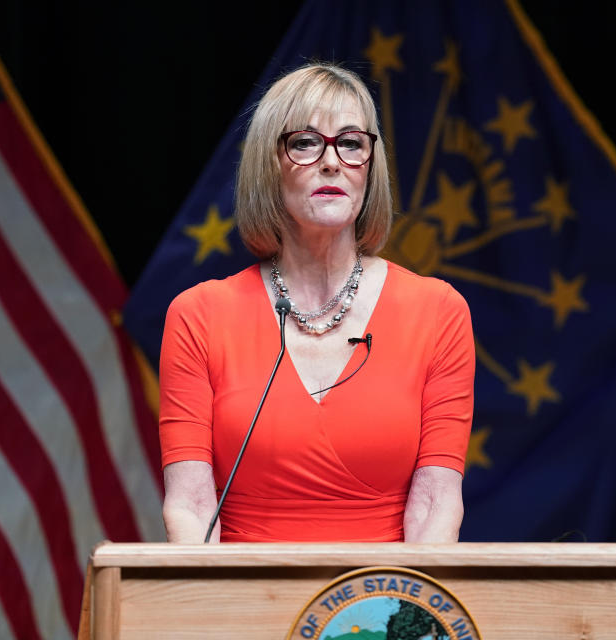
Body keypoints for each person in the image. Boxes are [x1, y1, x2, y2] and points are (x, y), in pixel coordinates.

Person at [158, 63, 475, 543]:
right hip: (243, 603)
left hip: (380, 604)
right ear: (269, 164)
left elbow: (435, 505)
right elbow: (190, 505)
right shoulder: (199, 316)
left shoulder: (437, 311)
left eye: (351, 144)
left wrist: (398, 615)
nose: (332, 162)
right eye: (305, 143)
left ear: (371, 166)